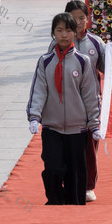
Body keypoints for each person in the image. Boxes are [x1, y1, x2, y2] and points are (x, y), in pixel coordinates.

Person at [28, 12, 102, 205]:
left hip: (78, 129)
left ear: (75, 33)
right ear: (53, 32)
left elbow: (90, 95)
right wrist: (34, 117)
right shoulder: (45, 61)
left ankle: (73, 211)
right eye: (59, 30)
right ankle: (55, 201)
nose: (64, 35)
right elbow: (39, 90)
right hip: (52, 128)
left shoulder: (83, 61)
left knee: (76, 174)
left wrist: (94, 124)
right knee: (53, 169)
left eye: (68, 30)